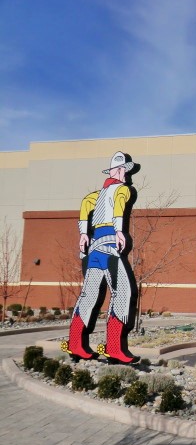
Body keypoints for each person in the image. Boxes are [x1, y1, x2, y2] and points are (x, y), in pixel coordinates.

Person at [62, 151, 140, 364]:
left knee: (89, 295)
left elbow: (84, 206)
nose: (125, 174)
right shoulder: (123, 190)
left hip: (94, 249)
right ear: (120, 171)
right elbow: (118, 208)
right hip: (110, 246)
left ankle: (75, 343)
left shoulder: (95, 195)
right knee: (123, 292)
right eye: (124, 170)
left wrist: (83, 234)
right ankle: (114, 347)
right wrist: (119, 231)